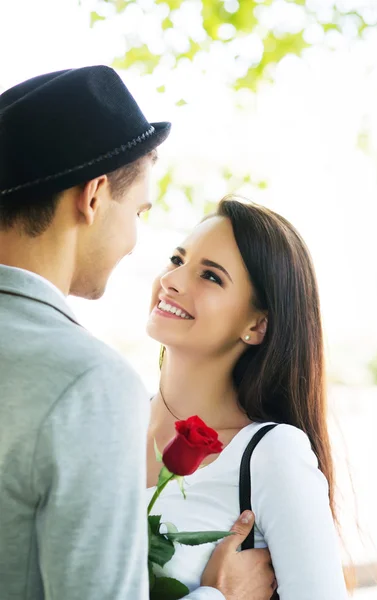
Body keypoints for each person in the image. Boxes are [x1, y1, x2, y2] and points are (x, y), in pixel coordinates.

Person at [0, 67, 276, 600]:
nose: (134, 242)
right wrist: (217, 596)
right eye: (138, 211)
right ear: (94, 195)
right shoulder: (87, 383)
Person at [146, 197, 350, 599]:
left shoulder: (271, 454)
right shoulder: (103, 420)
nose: (172, 280)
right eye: (176, 259)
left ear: (256, 325)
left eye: (210, 276)